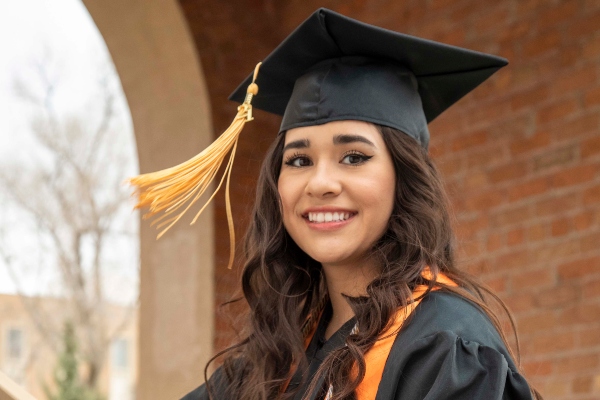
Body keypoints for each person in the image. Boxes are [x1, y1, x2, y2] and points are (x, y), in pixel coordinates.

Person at [132, 7, 542, 400]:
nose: (321, 183)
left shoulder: (447, 350)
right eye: (299, 160)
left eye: (354, 157)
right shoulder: (278, 356)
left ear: (405, 180)